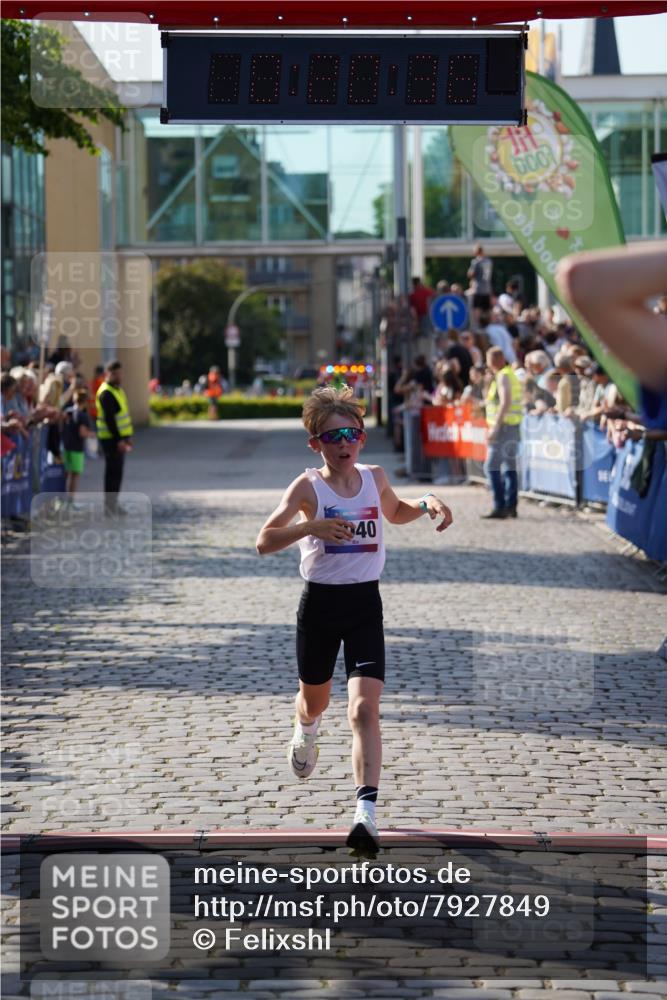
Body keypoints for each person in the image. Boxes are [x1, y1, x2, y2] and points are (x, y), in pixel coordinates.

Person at [255, 385, 453, 856]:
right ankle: (305, 731)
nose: (342, 445)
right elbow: (264, 540)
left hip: (365, 606)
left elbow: (396, 512)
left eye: (351, 434)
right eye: (331, 437)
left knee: (363, 709)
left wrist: (428, 503)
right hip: (320, 608)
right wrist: (311, 526)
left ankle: (366, 815)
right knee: (314, 704)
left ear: (362, 439)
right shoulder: (308, 487)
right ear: (315, 444)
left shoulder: (374, 476)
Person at [482, 347, 523, 519]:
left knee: (491, 466)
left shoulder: (503, 376)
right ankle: (511, 506)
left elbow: (505, 402)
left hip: (504, 428)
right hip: (512, 426)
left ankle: (500, 506)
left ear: (493, 361)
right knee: (509, 467)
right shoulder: (509, 374)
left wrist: (495, 427)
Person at [96, 360, 133, 517]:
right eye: (115, 374)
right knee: (112, 473)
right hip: (110, 439)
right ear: (108, 374)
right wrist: (119, 440)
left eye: (120, 373)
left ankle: (114, 504)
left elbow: (122, 417)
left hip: (119, 438)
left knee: (117, 473)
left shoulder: (118, 390)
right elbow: (111, 420)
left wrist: (127, 437)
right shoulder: (106, 393)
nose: (119, 376)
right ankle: (109, 507)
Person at [62, 388, 93, 504]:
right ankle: (70, 501)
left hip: (66, 446)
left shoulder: (67, 412)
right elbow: (82, 433)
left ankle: (63, 498)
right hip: (77, 448)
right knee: (75, 475)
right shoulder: (83, 416)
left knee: (66, 474)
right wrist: (92, 434)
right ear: (85, 402)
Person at [467, 244, 493, 325]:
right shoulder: (489, 261)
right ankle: (487, 325)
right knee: (487, 310)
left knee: (477, 309)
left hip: (478, 289)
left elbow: (471, 274)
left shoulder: (476, 262)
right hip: (487, 289)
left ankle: (477, 326)